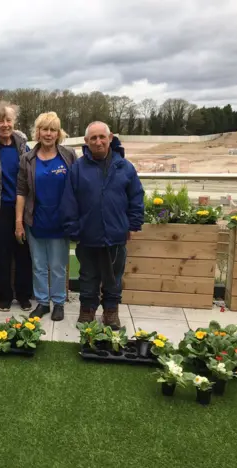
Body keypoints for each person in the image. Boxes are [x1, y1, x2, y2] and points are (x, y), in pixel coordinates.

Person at [60, 121, 145, 328]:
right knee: (88, 276)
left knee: (113, 278)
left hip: (116, 236)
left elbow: (136, 196)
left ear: (110, 138)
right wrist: (74, 229)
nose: (98, 142)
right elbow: (69, 201)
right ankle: (87, 310)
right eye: (93, 138)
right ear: (86, 142)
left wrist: (132, 224)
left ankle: (111, 312)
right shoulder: (77, 169)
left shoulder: (124, 167)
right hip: (88, 236)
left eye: (102, 137)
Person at [15, 112, 77, 321]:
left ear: (58, 133)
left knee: (58, 267)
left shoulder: (68, 156)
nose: (48, 134)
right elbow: (21, 191)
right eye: (44, 129)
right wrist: (19, 222)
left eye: (52, 129)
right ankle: (42, 302)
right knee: (39, 265)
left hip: (60, 222)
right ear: (38, 132)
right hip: (35, 221)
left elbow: (77, 188)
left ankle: (58, 302)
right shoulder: (27, 158)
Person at [0, 100, 33, 312]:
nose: (5, 124)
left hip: (22, 207)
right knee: (1, 253)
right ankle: (4, 295)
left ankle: (23, 295)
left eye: (8, 120)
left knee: (23, 253)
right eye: (0, 120)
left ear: (14, 122)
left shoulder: (22, 143)